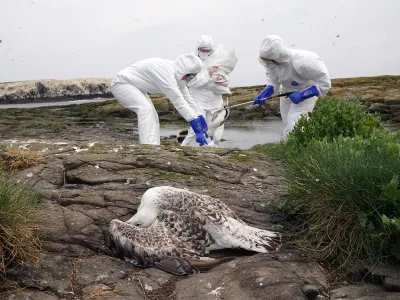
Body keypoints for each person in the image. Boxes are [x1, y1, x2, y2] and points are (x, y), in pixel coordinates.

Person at [110, 54, 208, 146]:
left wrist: (199, 116)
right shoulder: (166, 73)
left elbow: (188, 99)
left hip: (136, 87)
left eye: (193, 76)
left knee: (153, 114)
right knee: (145, 109)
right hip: (122, 84)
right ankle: (148, 147)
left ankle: (154, 146)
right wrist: (195, 126)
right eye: (190, 76)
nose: (189, 79)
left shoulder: (177, 75)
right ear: (184, 71)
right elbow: (178, 101)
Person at [254, 35, 331, 139]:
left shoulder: (304, 61)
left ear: (278, 56)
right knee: (286, 122)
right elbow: (273, 80)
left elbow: (324, 84)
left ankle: (298, 150)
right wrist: (265, 93)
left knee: (295, 121)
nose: (267, 63)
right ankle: (292, 148)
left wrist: (302, 95)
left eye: (269, 61)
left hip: (306, 90)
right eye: (265, 60)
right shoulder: (270, 63)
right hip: (286, 91)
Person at [181, 35, 237, 147]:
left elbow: (225, 74)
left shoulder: (217, 58)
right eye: (203, 50)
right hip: (197, 98)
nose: (205, 53)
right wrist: (208, 73)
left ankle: (209, 149)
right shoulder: (191, 60)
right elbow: (191, 83)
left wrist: (223, 79)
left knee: (213, 127)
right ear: (198, 48)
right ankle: (183, 148)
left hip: (214, 99)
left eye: (208, 50)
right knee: (196, 127)